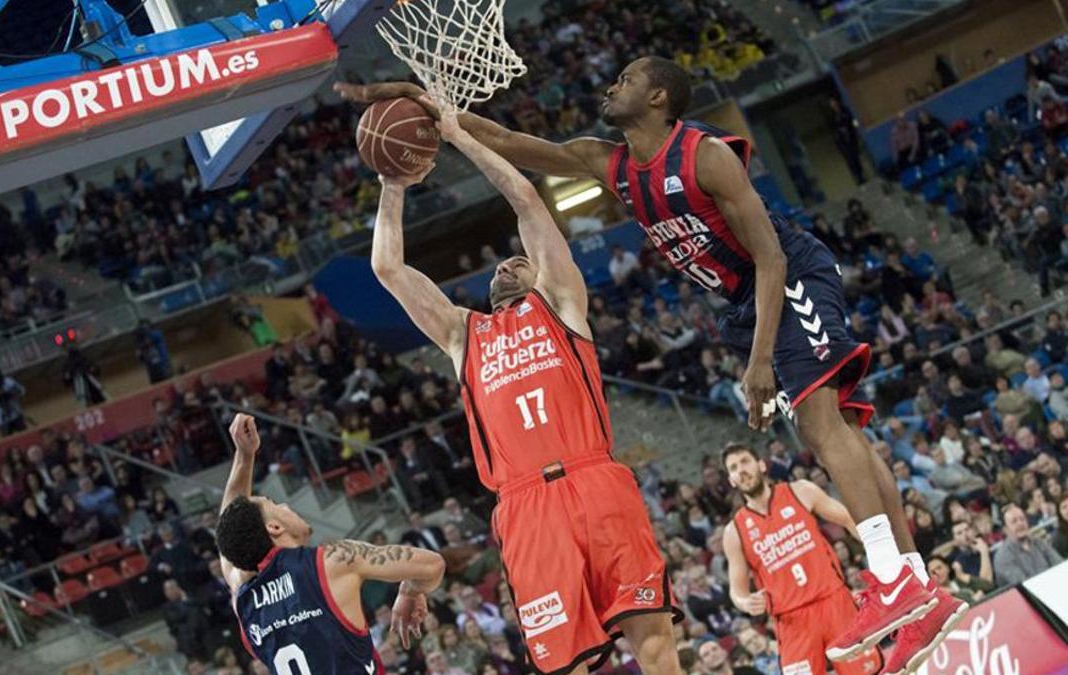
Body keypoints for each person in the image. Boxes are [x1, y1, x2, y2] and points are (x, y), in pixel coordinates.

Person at [341, 56, 958, 673]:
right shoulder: (602, 166)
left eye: (627, 79)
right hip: (732, 307)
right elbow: (502, 142)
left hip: (783, 277)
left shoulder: (703, 158)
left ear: (659, 96)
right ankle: (912, 585)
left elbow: (770, 255)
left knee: (822, 425)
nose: (612, 84)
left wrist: (760, 360)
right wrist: (419, 106)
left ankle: (891, 573)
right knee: (841, 428)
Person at [367, 110, 682, 675]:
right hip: (525, 506)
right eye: (498, 265)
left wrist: (460, 136)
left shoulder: (561, 306)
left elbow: (527, 201)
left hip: (594, 479)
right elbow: (388, 267)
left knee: (654, 639)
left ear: (542, 274)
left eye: (519, 261)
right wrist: (392, 184)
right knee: (565, 665)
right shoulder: (464, 334)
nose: (506, 265)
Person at [215, 414, 446, 673]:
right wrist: (410, 592)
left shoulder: (244, 599)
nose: (285, 505)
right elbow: (433, 565)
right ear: (275, 527)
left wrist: (244, 457)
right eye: (272, 503)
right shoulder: (332, 562)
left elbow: (229, 535)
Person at [721, 444, 889, 675]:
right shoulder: (734, 531)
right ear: (731, 480)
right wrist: (745, 602)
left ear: (761, 465)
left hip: (833, 602)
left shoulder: (800, 491)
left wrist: (882, 554)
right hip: (791, 621)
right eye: (733, 468)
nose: (741, 470)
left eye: (745, 462)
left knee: (869, 673)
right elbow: (737, 591)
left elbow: (850, 520)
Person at [993, 503, 1063, 586]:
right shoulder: (1002, 557)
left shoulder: (1038, 542)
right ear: (1005, 530)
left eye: (1022, 519)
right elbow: (1025, 586)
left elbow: (1060, 565)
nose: (1020, 523)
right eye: (1014, 521)